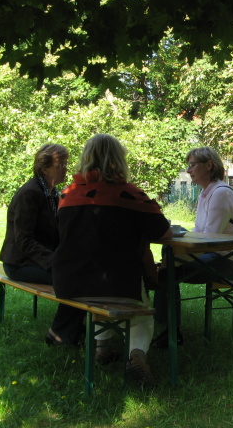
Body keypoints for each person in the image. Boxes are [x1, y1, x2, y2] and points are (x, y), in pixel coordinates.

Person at [51, 134, 172, 385]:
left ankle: (102, 350)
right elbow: (164, 233)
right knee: (141, 314)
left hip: (69, 284)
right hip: (116, 282)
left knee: (99, 296)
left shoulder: (67, 194)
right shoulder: (131, 195)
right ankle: (137, 357)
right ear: (119, 160)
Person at [152, 146, 233, 348]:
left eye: (192, 165)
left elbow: (209, 239)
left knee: (166, 273)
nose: (189, 170)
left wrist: (175, 256)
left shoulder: (220, 193)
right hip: (221, 256)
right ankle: (165, 328)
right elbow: (200, 231)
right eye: (188, 166)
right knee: (166, 265)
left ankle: (170, 332)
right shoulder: (207, 193)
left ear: (209, 165)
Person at [0, 143, 69, 284]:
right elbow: (23, 240)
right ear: (45, 169)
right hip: (20, 264)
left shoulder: (52, 193)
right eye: (60, 165)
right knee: (71, 279)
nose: (66, 169)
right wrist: (55, 262)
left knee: (81, 274)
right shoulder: (30, 193)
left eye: (66, 164)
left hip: (37, 261)